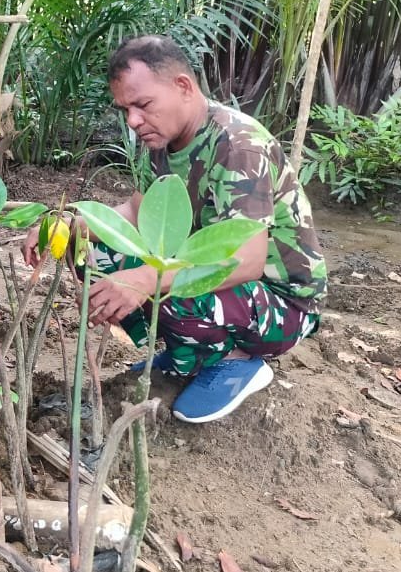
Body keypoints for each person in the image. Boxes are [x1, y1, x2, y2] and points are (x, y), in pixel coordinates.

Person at [23, 35, 326, 423]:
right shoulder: (161, 142)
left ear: (182, 86)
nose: (133, 121)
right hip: (227, 286)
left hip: (280, 303)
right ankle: (191, 353)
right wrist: (64, 224)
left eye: (143, 105)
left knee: (167, 283)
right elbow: (138, 215)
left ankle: (236, 361)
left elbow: (246, 261)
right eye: (126, 110)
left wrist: (145, 279)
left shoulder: (239, 146)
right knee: (91, 250)